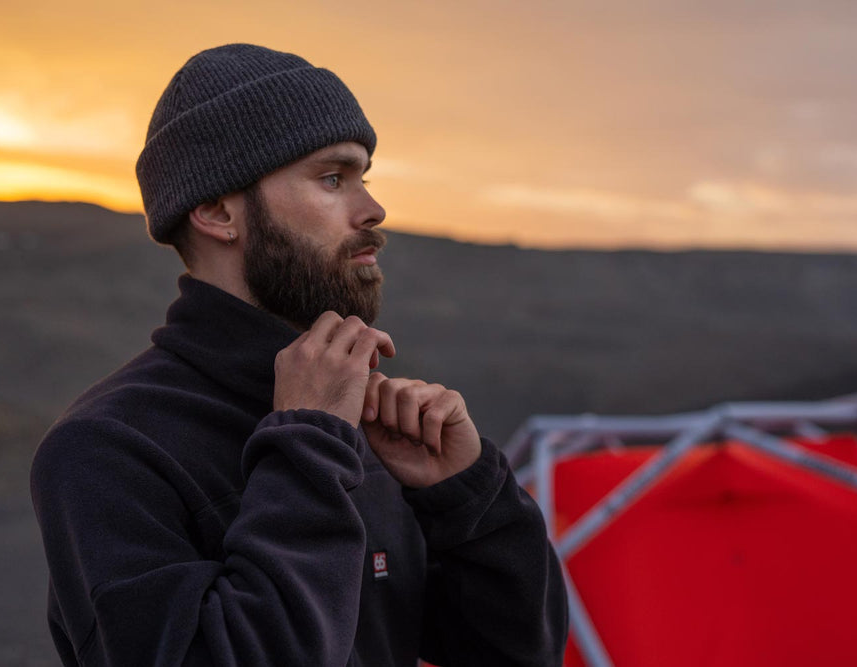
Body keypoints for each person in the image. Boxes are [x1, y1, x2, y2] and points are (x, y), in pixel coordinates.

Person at [31, 43, 568, 666]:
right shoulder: (106, 448)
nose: (373, 210)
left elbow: (517, 652)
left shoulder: (363, 424)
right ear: (217, 211)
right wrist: (307, 444)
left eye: (364, 178)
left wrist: (468, 495)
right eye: (332, 178)